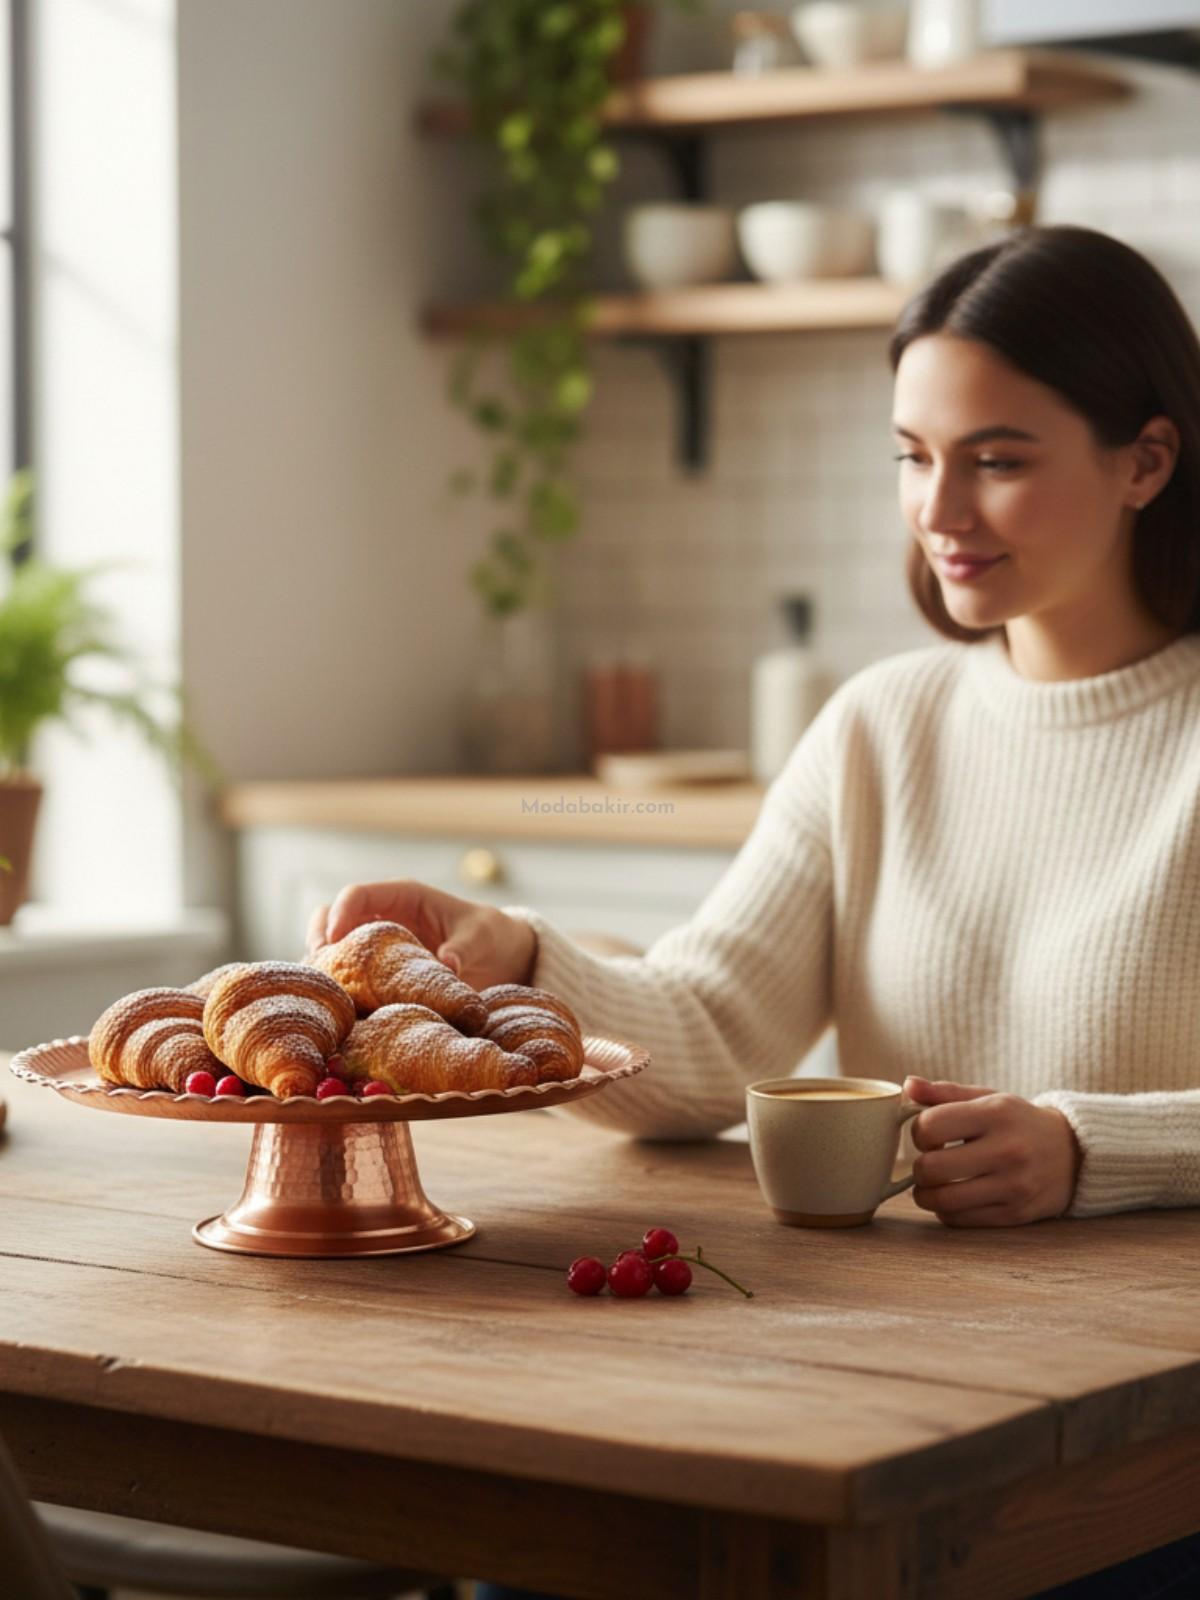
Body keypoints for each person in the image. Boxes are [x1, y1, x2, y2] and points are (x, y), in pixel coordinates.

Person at [306, 226, 1200, 1600]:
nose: (940, 509)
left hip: (1141, 1443)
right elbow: (714, 1026)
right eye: (913, 454)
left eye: (999, 458)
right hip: (887, 1378)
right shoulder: (883, 725)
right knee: (545, 1561)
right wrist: (520, 965)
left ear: (1147, 459)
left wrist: (1093, 1149)